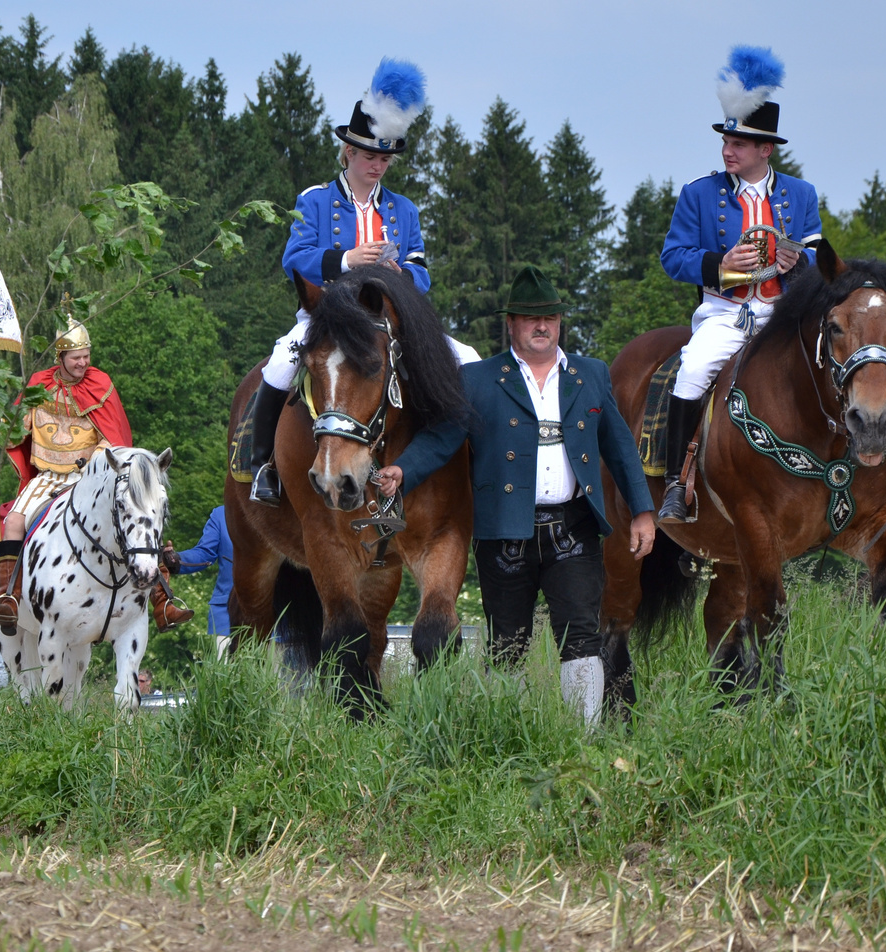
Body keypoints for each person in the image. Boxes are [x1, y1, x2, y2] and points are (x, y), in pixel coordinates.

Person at [374, 267, 658, 726]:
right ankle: (509, 736)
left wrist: (643, 511)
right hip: (505, 529)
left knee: (582, 639)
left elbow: (621, 448)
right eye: (529, 318)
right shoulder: (478, 380)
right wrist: (404, 469)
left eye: (549, 317)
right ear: (511, 324)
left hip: (575, 528)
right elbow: (443, 438)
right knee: (507, 643)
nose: (541, 326)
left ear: (560, 321)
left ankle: (580, 741)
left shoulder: (591, 374)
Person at [248, 58, 480, 508]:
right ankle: (262, 466)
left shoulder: (404, 209)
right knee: (279, 362)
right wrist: (346, 260)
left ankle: (474, 459)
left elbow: (422, 271)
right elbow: (293, 259)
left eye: (385, 158)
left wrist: (401, 276)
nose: (378, 165)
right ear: (349, 153)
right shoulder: (314, 201)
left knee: (468, 358)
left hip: (388, 317)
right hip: (329, 317)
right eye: (370, 156)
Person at [655, 47, 826, 523]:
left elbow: (819, 256)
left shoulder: (802, 194)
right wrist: (720, 263)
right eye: (726, 141)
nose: (728, 149)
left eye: (739, 143)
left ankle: (868, 474)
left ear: (765, 149)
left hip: (784, 316)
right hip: (726, 314)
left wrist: (800, 263)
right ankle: (676, 483)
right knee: (692, 372)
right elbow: (673, 257)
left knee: (845, 364)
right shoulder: (699, 193)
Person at [0, 317, 192, 633]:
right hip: (47, 479)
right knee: (14, 522)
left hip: (89, 479)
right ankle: (11, 597)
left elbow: (112, 436)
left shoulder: (100, 383)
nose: (83, 362)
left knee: (137, 512)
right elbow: (17, 430)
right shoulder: (38, 386)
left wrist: (95, 460)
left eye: (86, 355)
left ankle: (161, 600)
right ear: (60, 357)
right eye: (76, 357)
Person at [161, 505, 234, 639]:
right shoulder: (221, 514)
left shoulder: (282, 512)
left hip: (277, 615)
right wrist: (175, 560)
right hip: (228, 613)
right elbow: (204, 553)